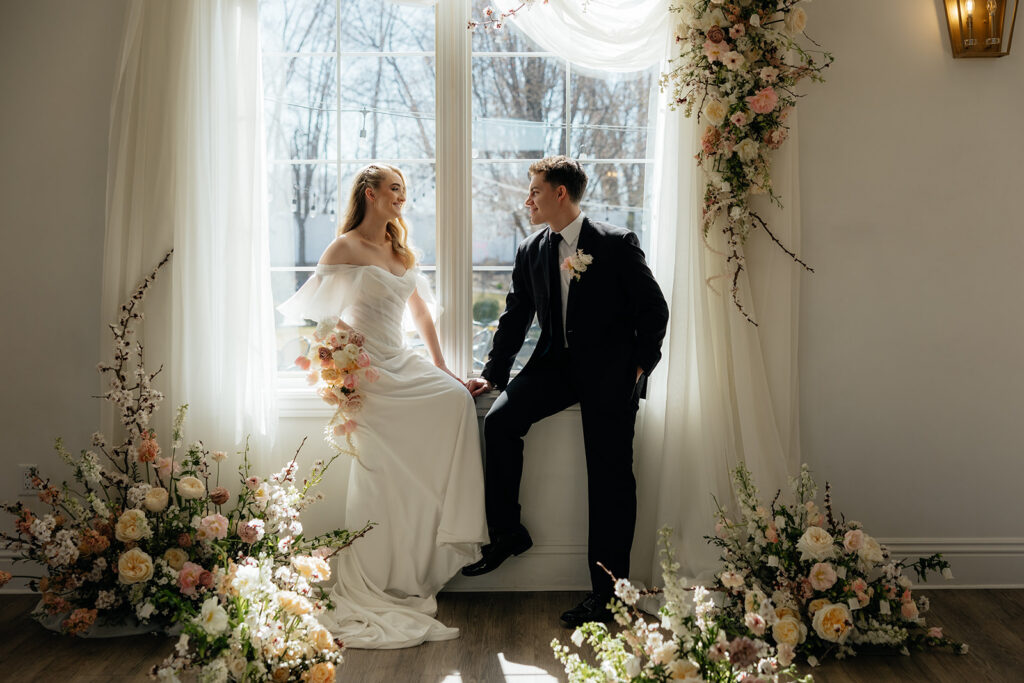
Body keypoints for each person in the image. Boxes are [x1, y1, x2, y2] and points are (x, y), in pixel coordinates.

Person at [277, 164, 488, 648]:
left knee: (456, 400)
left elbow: (419, 311)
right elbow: (319, 322)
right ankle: (375, 572)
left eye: (404, 192)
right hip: (367, 376)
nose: (402, 198)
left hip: (402, 361)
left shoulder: (399, 249)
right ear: (370, 194)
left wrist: (443, 368)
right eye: (395, 190)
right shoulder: (345, 247)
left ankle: (430, 551)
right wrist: (337, 371)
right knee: (379, 477)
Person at [462, 156, 669, 628]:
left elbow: (654, 309)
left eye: (534, 190)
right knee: (499, 422)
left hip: (609, 374)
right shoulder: (531, 248)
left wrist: (639, 365)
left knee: (610, 478)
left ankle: (609, 596)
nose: (527, 199)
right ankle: (508, 533)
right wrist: (494, 375)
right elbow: (516, 317)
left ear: (560, 193)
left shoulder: (615, 243)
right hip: (553, 367)